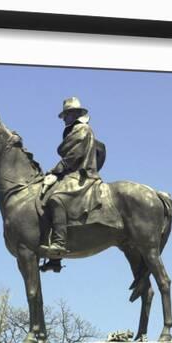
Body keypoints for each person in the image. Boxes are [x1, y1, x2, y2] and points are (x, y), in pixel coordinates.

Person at [39, 97, 106, 266]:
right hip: (72, 172)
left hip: (81, 174)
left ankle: (59, 245)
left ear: (76, 114)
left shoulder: (81, 129)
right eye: (65, 116)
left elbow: (73, 156)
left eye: (68, 115)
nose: (65, 119)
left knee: (56, 198)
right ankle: (54, 258)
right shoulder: (73, 130)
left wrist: (54, 173)